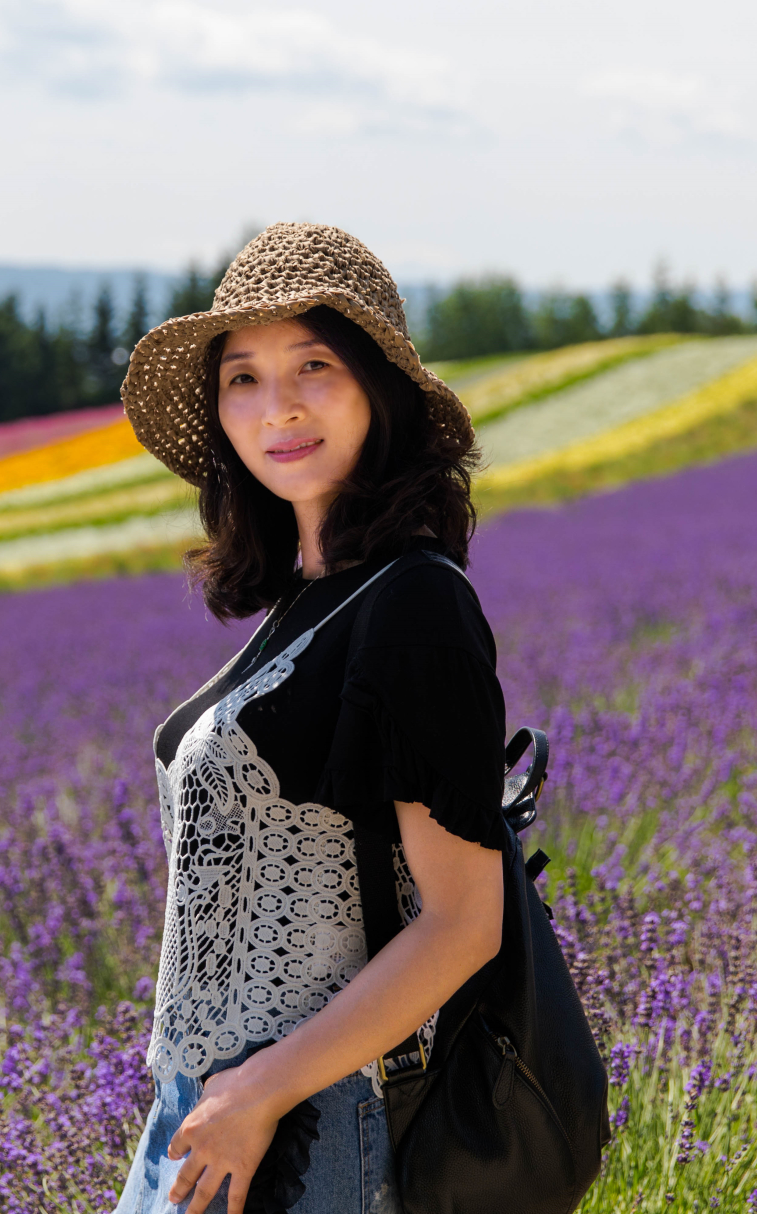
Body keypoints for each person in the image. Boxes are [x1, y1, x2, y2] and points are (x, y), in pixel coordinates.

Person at [114, 223, 511, 1214]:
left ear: (379, 390)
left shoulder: (413, 608)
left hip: (310, 1128)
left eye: (314, 366)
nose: (275, 406)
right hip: (208, 1120)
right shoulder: (307, 604)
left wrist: (257, 1096)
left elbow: (466, 923)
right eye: (240, 377)